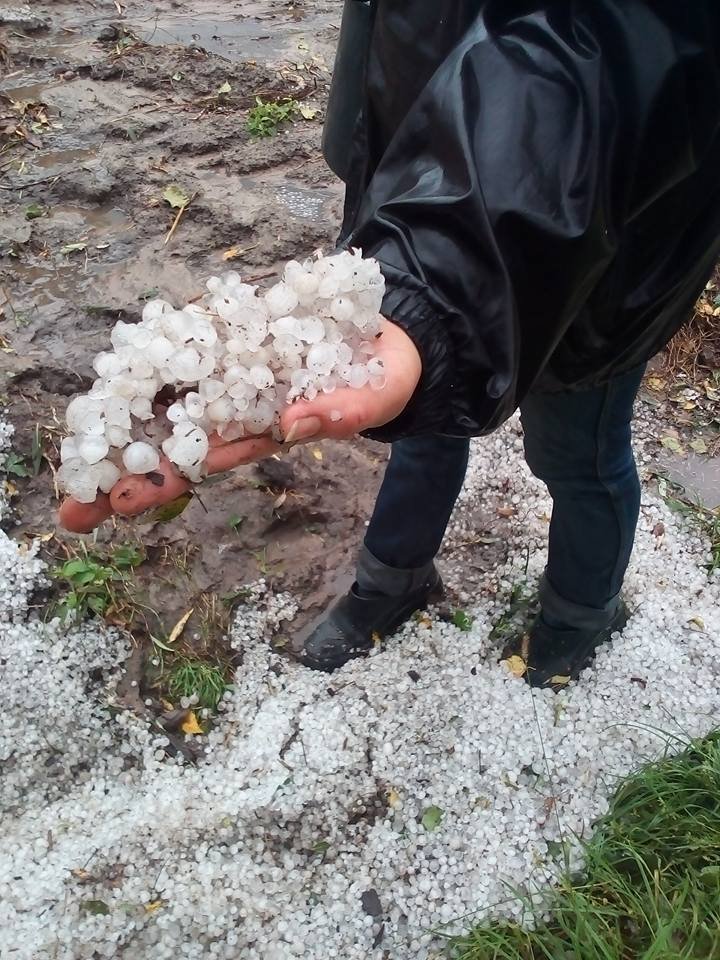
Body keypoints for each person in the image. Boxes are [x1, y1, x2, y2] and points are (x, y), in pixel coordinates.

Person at [62, 1, 720, 686]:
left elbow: (629, 39)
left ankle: (581, 613)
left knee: (578, 450)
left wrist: (438, 271)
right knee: (422, 421)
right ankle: (393, 579)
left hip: (613, 234)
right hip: (411, 175)